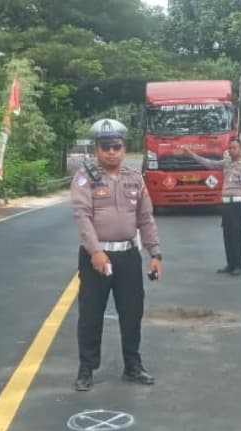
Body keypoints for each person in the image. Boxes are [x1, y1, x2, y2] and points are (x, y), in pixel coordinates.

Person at [72, 119, 163, 392]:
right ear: (96, 149)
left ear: (124, 148)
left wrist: (155, 253)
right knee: (90, 315)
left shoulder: (135, 179)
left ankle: (133, 366)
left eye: (116, 146)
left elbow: (146, 219)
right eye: (105, 147)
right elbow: (83, 217)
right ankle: (86, 369)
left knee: (132, 313)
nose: (111, 152)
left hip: (128, 257)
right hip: (95, 259)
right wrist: (96, 252)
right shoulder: (84, 178)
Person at [180, 139, 241, 275]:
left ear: (240, 149)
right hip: (226, 204)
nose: (232, 150)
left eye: (235, 148)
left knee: (238, 235)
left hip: (238, 203)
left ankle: (240, 265)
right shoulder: (225, 164)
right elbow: (209, 163)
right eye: (230, 148)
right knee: (228, 234)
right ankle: (231, 264)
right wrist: (191, 154)